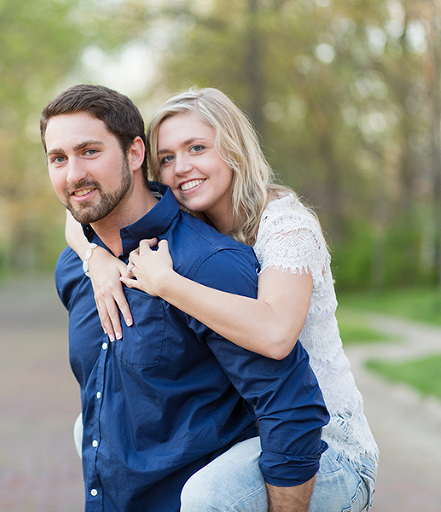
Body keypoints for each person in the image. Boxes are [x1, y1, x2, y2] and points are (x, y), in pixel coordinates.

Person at [66, 86, 378, 511]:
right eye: (169, 158)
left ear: (234, 149)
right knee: (95, 426)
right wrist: (95, 257)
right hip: (253, 427)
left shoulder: (285, 226)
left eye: (197, 148)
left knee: (205, 495)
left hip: (325, 446)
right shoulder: (192, 224)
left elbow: (275, 334)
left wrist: (167, 284)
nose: (182, 168)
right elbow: (81, 205)